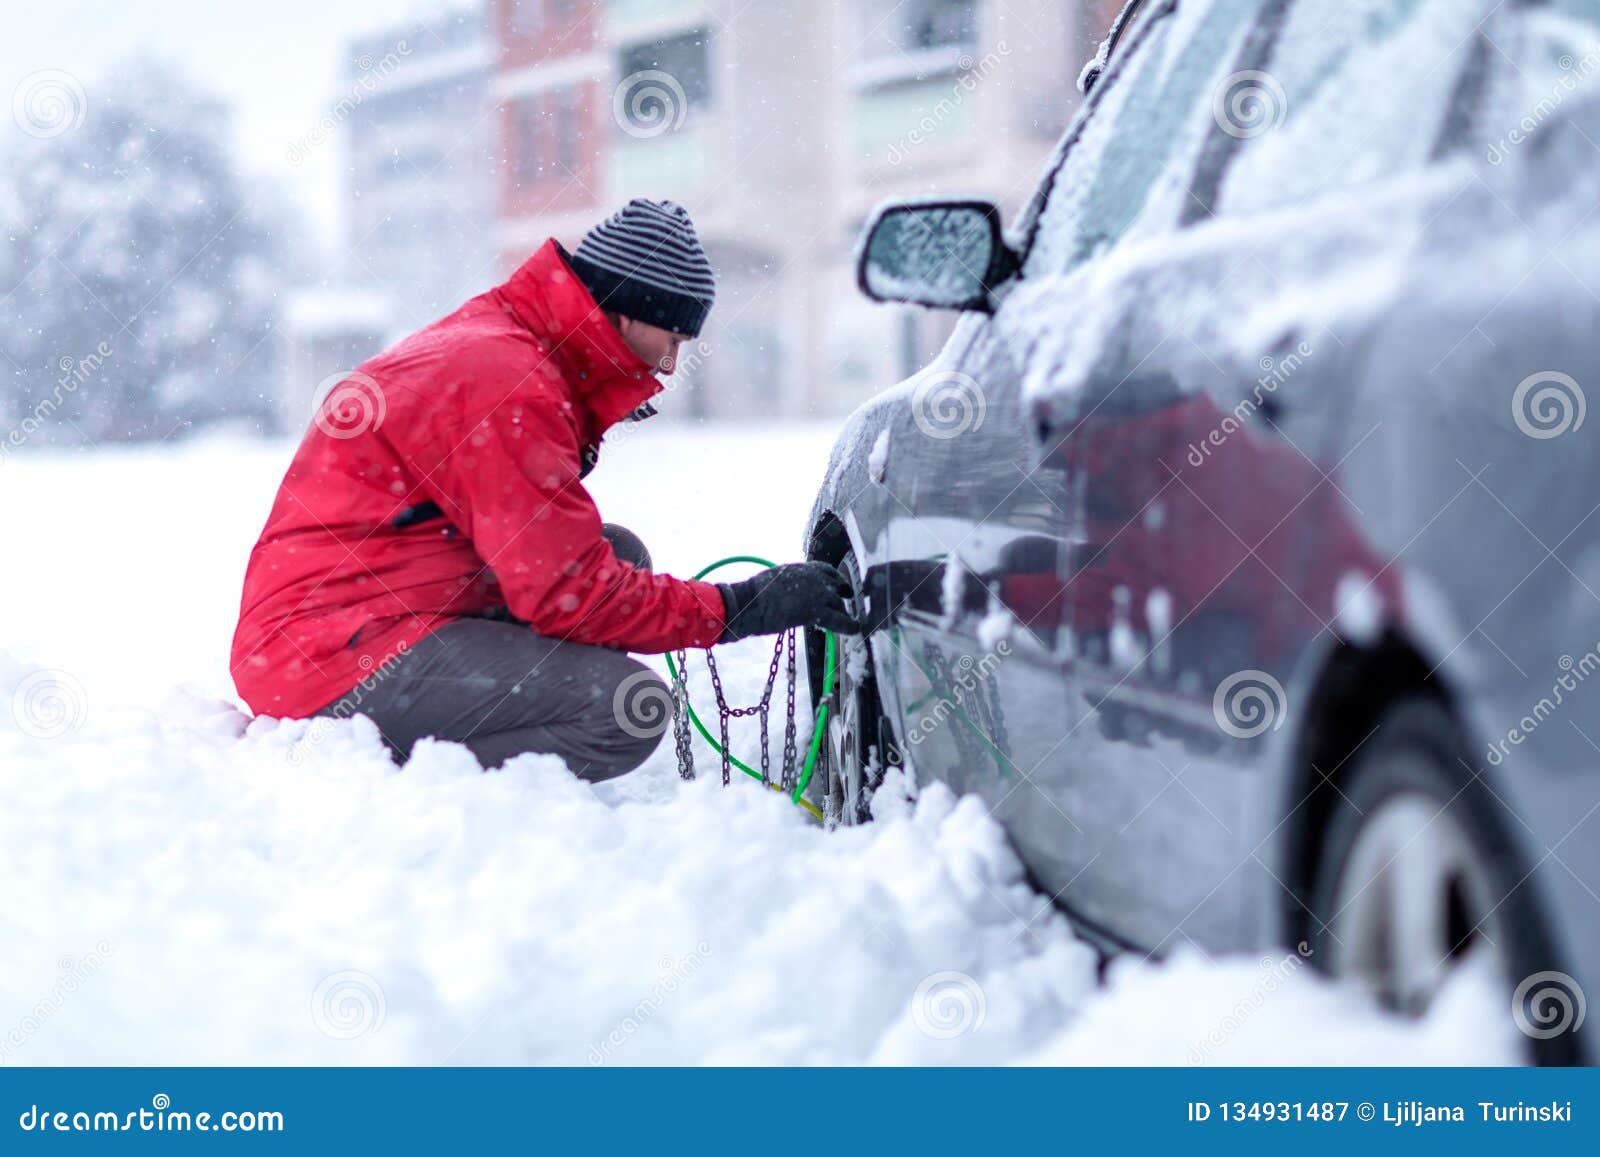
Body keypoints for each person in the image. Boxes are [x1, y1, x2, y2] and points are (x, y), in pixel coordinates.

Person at [231, 198, 857, 779]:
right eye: (672, 339)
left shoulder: (508, 343)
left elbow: (565, 569)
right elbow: (569, 596)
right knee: (624, 712)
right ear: (632, 310)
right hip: (331, 655)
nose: (669, 365)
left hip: (352, 610)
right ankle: (400, 779)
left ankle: (430, 728)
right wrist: (741, 608)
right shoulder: (508, 386)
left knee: (621, 554)